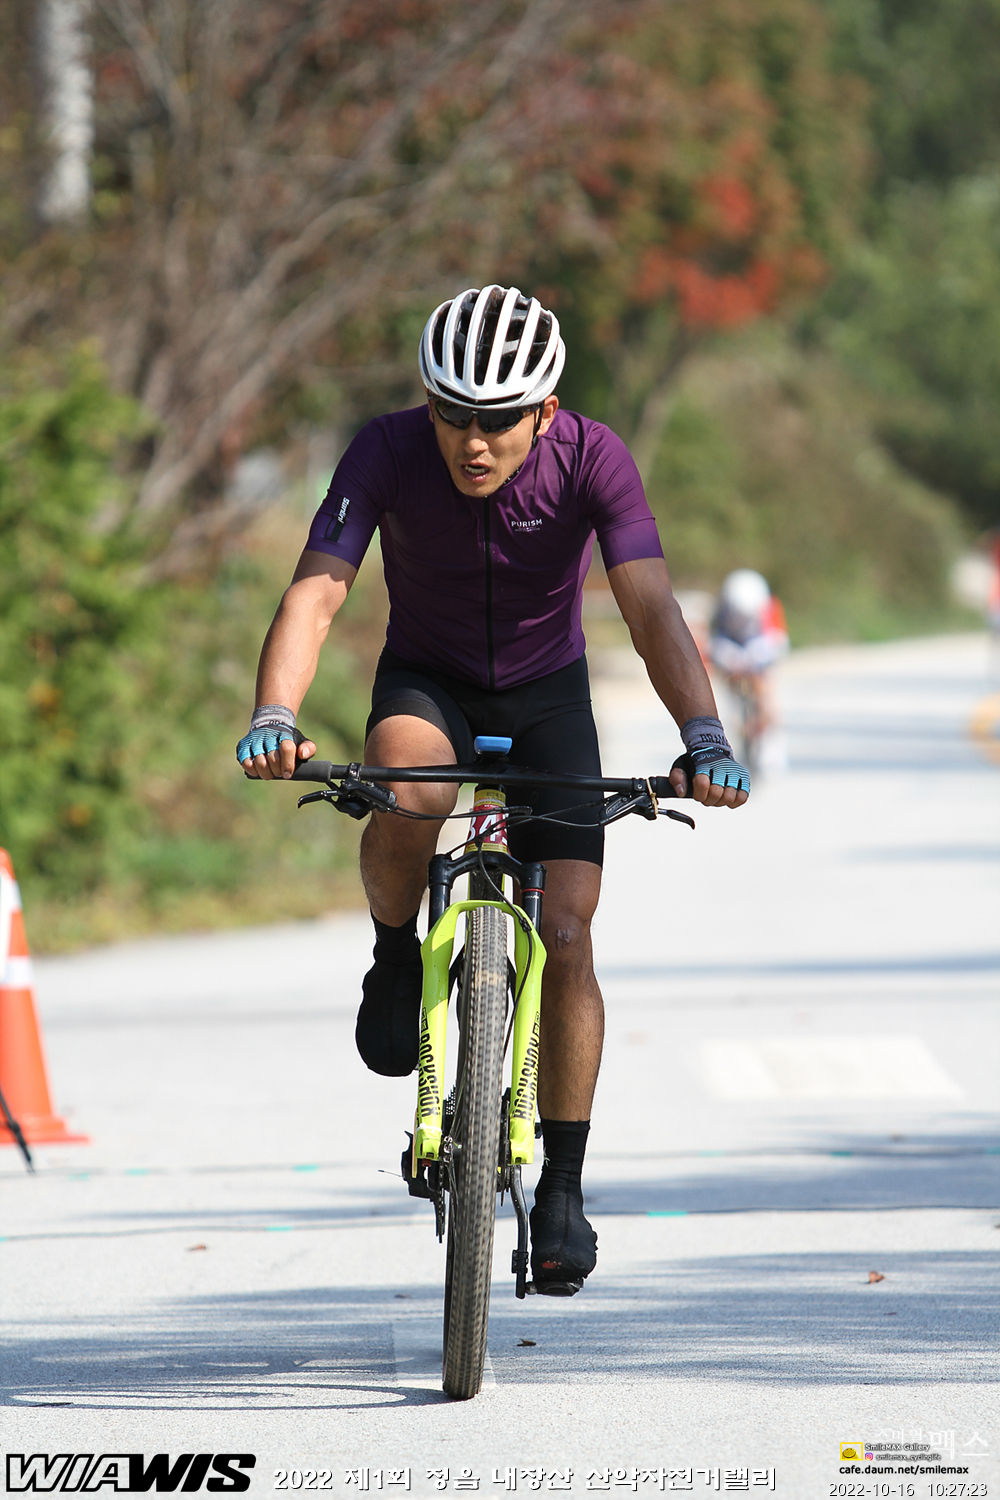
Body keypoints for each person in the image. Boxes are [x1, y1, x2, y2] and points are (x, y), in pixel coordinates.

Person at [236, 284, 749, 1293]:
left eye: (499, 419)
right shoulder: (386, 450)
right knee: (409, 789)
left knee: (568, 929)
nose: (472, 442)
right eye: (452, 414)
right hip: (429, 683)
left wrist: (702, 733)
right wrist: (274, 713)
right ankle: (395, 955)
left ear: (545, 411)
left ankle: (562, 1187)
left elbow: (649, 606)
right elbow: (318, 591)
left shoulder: (593, 457)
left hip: (549, 694)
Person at [708, 569, 789, 770]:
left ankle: (773, 737)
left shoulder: (769, 607)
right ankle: (738, 721)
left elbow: (778, 641)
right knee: (730, 680)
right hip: (733, 645)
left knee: (766, 688)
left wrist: (758, 659)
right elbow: (715, 641)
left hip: (760, 643)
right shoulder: (721, 608)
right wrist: (728, 659)